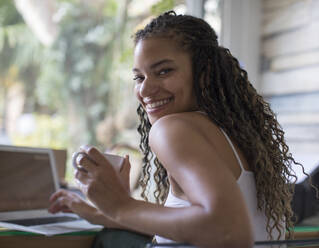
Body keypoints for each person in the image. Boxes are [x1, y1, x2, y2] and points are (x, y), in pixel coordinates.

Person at [49, 11, 302, 247]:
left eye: (164, 71)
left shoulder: (172, 128)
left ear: (204, 72)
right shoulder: (235, 133)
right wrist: (105, 209)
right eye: (139, 77)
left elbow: (228, 230)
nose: (146, 90)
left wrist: (121, 206)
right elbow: (195, 228)